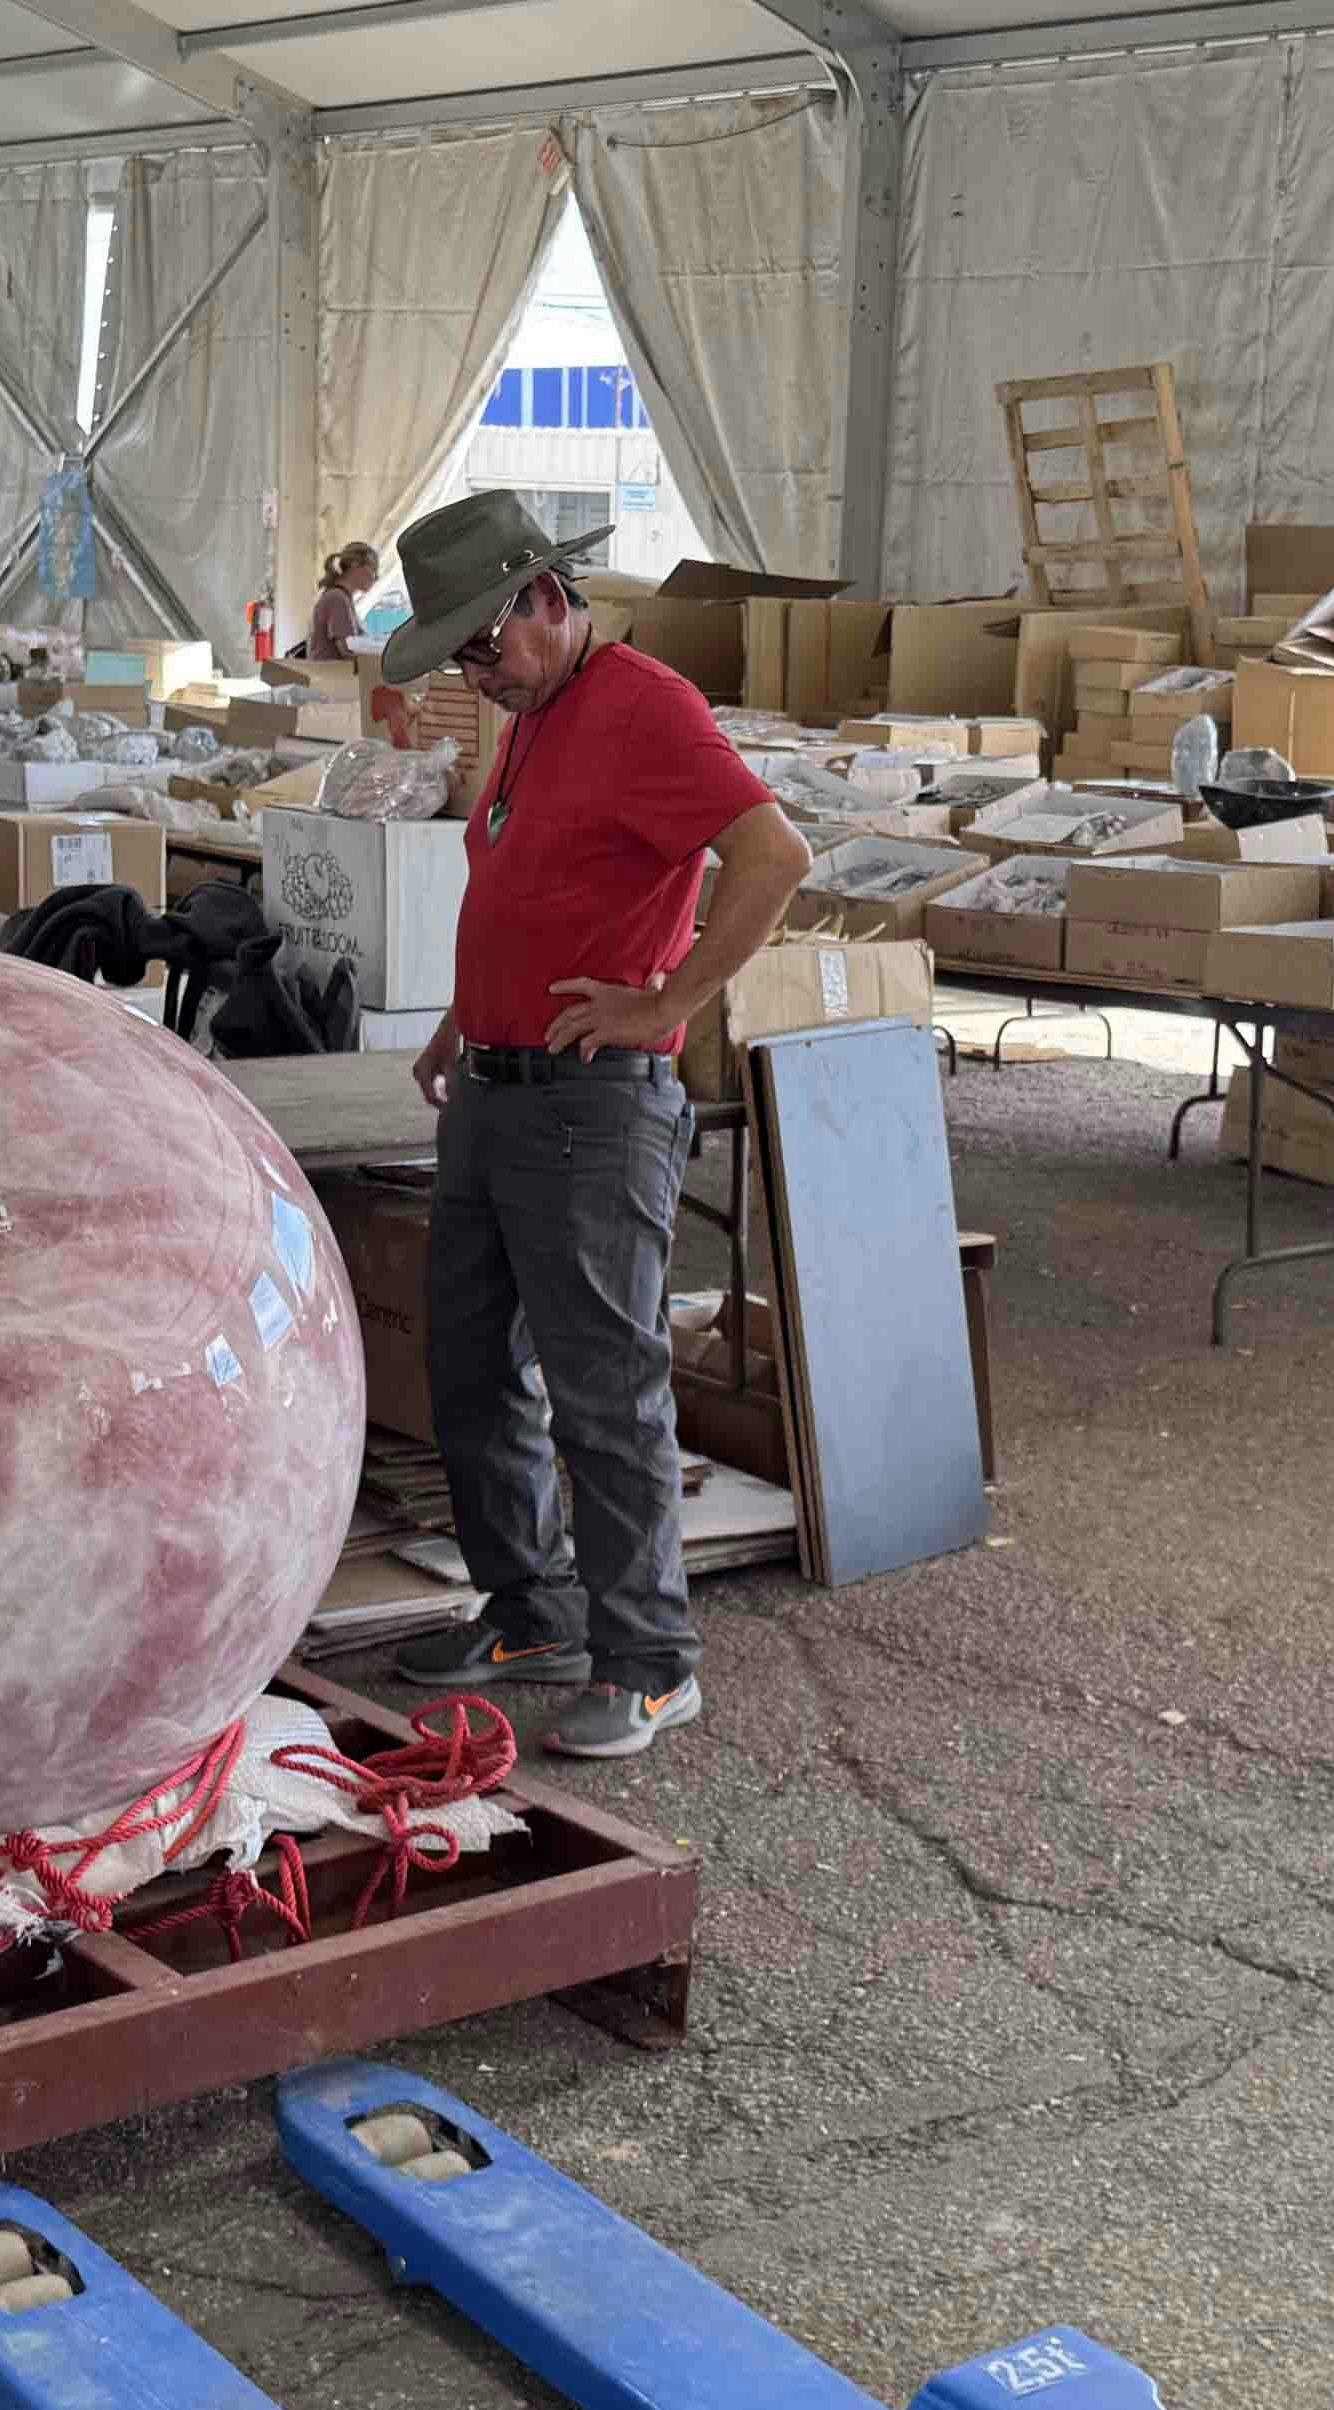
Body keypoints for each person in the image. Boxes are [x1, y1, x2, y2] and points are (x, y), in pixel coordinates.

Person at [373, 489, 808, 1762]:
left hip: (590, 1111)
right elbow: (527, 883)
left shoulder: (643, 709)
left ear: (548, 603)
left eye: (483, 645)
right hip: (499, 1092)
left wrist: (668, 1000)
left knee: (602, 1391)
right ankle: (529, 1613)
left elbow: (773, 857)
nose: (475, 673)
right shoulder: (535, 714)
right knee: (471, 1369)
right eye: (456, 653)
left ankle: (653, 1661)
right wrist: (469, 1013)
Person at [295, 541, 383, 665]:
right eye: (373, 569)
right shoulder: (337, 598)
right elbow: (348, 651)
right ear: (355, 565)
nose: (376, 577)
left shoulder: (342, 597)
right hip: (331, 678)